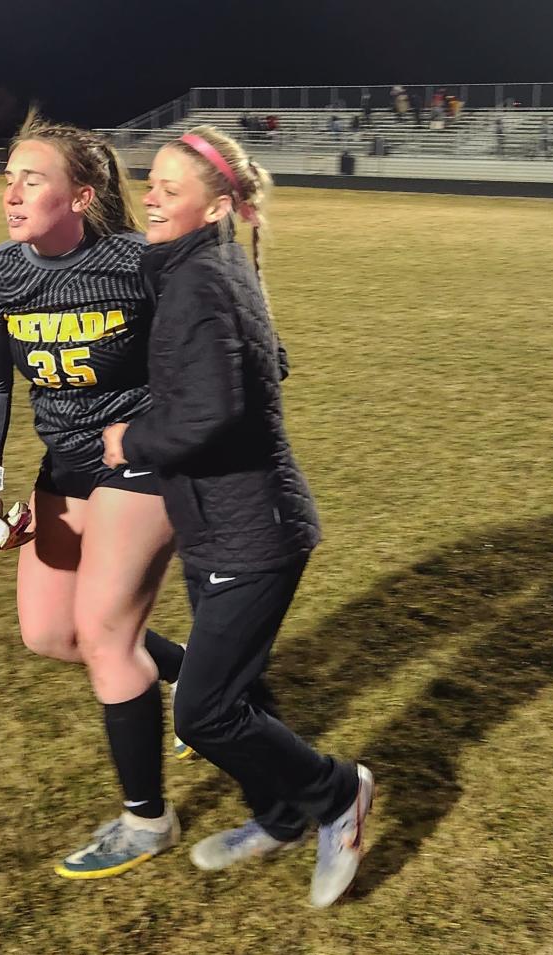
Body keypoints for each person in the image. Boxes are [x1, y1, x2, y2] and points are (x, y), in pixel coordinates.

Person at [102, 126, 374, 908]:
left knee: (208, 709)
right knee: (242, 689)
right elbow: (269, 365)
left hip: (253, 531)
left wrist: (133, 438)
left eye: (171, 188)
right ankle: (279, 812)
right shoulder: (216, 264)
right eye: (150, 181)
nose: (150, 194)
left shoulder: (199, 278)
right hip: (222, 519)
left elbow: (216, 408)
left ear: (217, 205)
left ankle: (334, 795)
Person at [0, 110, 189, 879]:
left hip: (146, 466)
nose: (12, 193)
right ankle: (188, 671)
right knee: (49, 636)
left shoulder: (144, 263)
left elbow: (242, 354)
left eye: (32, 178)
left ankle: (146, 819)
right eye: (8, 179)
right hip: (64, 467)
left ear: (83, 195)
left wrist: (166, 431)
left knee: (103, 638)